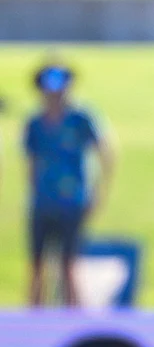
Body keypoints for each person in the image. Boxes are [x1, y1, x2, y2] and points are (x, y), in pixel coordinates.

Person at [24, 64, 114, 306]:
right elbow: (31, 162)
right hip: (42, 202)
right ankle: (33, 324)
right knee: (36, 266)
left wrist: (98, 191)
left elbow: (106, 152)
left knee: (69, 265)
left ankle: (72, 322)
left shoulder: (80, 118)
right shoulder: (35, 122)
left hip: (73, 201)